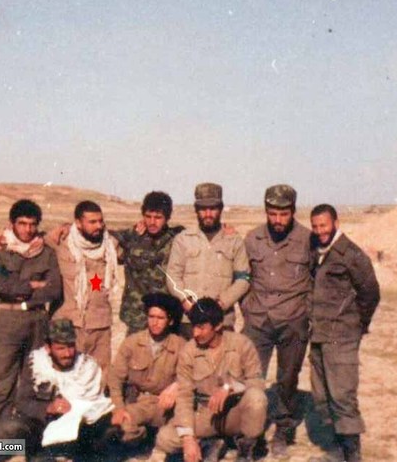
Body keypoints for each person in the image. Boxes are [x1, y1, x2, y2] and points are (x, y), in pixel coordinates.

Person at [240, 184, 312, 457]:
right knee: (251, 377)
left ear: (293, 211)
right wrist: (248, 309)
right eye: (272, 214)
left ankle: (283, 429)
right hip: (258, 321)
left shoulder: (307, 239)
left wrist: (306, 312)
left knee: (287, 377)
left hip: (293, 320)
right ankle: (251, 433)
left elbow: (317, 279)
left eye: (283, 214)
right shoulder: (253, 238)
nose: (278, 220)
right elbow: (242, 276)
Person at [0, 199, 62, 440]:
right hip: (8, 321)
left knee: (34, 382)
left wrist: (25, 288)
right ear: (12, 224)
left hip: (37, 320)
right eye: (22, 223)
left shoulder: (46, 252)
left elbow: (54, 289)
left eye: (32, 224)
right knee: (1, 384)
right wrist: (34, 284)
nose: (28, 229)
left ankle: (29, 439)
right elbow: (2, 285)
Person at [153, 298, 267, 462]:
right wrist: (188, 439)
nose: (195, 333)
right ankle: (211, 443)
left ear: (218, 325)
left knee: (256, 398)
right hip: (206, 415)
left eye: (201, 327)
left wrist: (229, 387)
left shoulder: (241, 344)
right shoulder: (189, 351)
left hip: (234, 413)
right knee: (165, 438)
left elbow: (257, 381)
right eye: (194, 327)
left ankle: (246, 446)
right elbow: (185, 397)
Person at [308, 204, 380, 462]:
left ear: (336, 223)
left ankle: (352, 454)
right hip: (318, 335)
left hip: (342, 337)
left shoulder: (351, 253)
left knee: (342, 396)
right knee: (322, 394)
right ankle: (337, 450)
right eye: (315, 226)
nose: (319, 231)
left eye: (324, 225)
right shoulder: (315, 249)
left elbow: (370, 292)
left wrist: (357, 325)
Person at [0, 319, 116, 462]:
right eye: (61, 349)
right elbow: (23, 402)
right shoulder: (35, 364)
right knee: (11, 428)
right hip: (40, 427)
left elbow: (96, 406)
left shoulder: (87, 368)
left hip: (76, 432)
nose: (67, 353)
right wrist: (48, 408)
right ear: (48, 348)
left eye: (71, 347)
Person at [165, 183, 250, 338]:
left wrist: (221, 303)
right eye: (203, 209)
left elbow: (243, 279)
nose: (208, 214)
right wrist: (185, 301)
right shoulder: (183, 239)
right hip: (188, 321)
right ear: (196, 210)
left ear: (221, 209)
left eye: (213, 208)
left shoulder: (234, 241)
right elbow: (173, 276)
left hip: (222, 321)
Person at [43, 200, 119, 373]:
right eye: (92, 222)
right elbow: (25, 240)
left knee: (99, 376)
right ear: (77, 223)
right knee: (64, 375)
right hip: (68, 324)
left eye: (100, 221)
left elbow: (133, 241)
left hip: (99, 326)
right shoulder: (60, 242)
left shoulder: (110, 245)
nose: (98, 226)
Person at [108, 293, 186, 450]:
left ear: (170, 321)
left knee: (181, 434)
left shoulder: (181, 345)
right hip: (137, 403)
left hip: (165, 407)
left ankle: (153, 436)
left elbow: (191, 376)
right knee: (118, 426)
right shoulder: (132, 343)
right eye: (151, 317)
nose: (155, 322)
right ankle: (145, 436)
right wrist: (119, 408)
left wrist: (176, 387)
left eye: (160, 318)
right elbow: (115, 379)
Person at [111, 191, 185, 335]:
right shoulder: (132, 236)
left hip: (167, 315)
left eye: (158, 217)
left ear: (168, 217)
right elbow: (103, 238)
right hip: (137, 315)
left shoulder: (178, 237)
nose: (152, 222)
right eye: (148, 216)